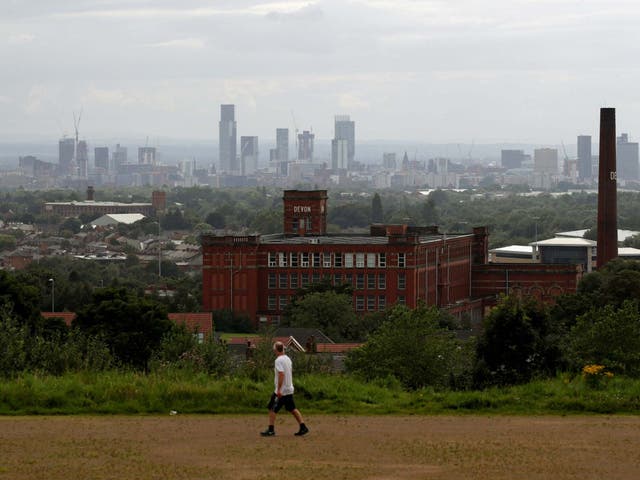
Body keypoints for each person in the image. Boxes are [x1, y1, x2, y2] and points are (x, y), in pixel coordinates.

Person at [260, 341, 309, 437]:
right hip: (289, 388)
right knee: (292, 408)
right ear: (283, 349)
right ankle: (303, 427)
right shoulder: (288, 359)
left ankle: (271, 430)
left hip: (282, 391)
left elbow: (281, 374)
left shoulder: (278, 360)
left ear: (275, 350)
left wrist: (278, 390)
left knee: (272, 408)